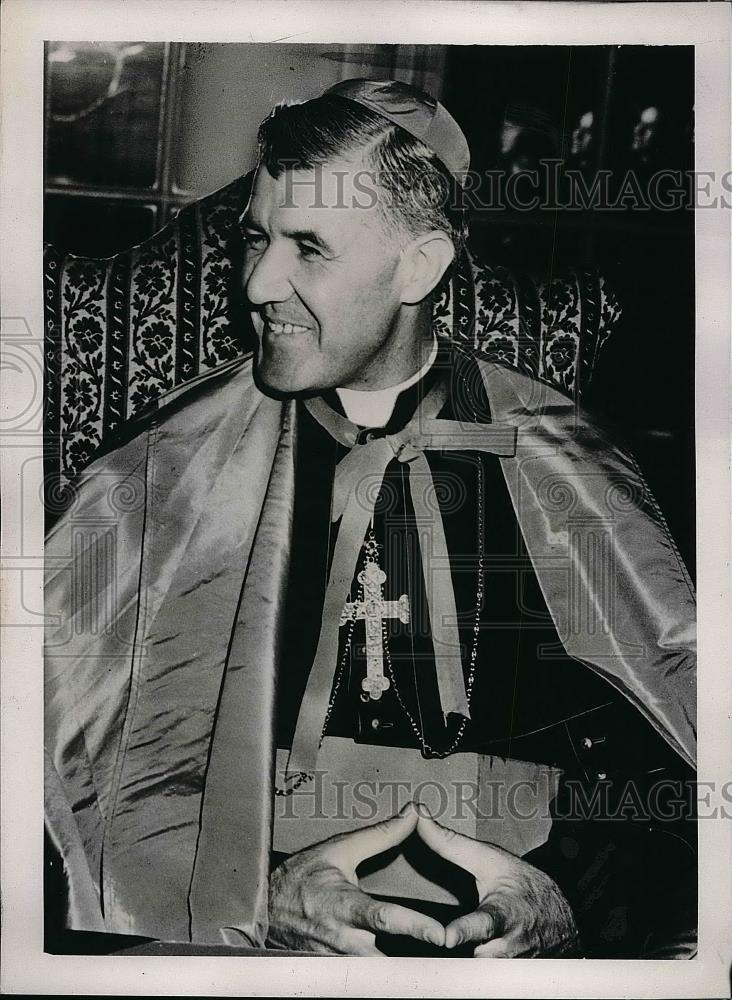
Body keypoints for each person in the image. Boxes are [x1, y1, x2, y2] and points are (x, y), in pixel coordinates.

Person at [44, 79, 697, 959]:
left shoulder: (567, 462)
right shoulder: (157, 470)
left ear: (420, 266)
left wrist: (569, 900)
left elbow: (675, 764)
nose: (257, 283)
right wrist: (244, 905)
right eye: (255, 239)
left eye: (308, 248)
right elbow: (53, 770)